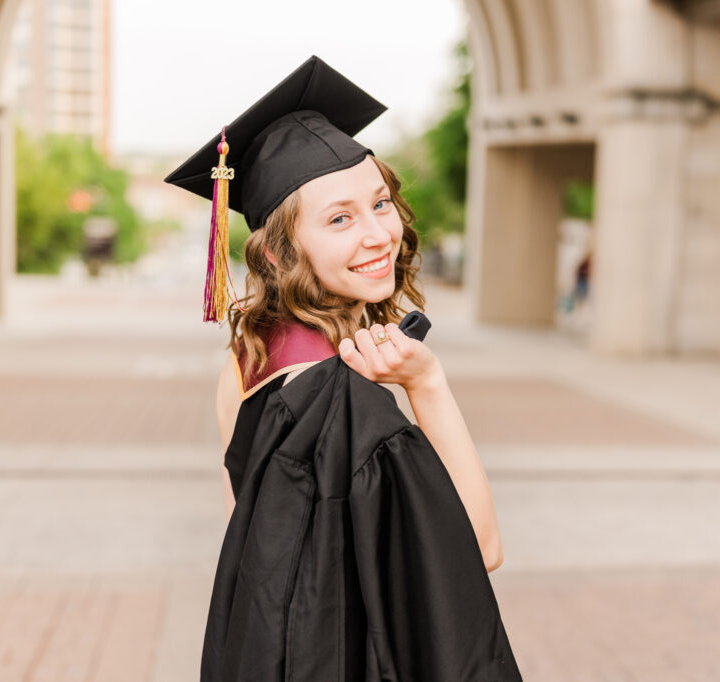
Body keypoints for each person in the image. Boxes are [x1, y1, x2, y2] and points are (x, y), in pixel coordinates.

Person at [165, 55, 521, 681]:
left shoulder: (247, 357)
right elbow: (477, 549)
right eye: (339, 218)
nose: (380, 233)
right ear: (278, 250)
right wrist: (426, 384)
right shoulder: (347, 401)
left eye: (380, 202)